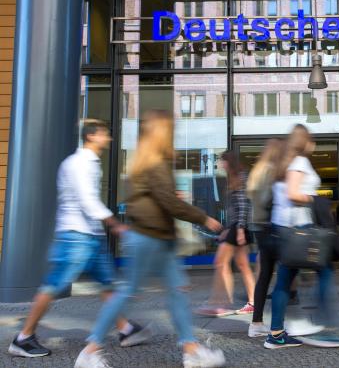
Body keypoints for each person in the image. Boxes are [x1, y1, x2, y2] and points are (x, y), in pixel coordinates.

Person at [75, 110, 225, 368]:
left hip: (158, 238)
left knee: (175, 292)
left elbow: (159, 200)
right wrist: (204, 219)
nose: (173, 133)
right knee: (127, 292)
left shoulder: (144, 160)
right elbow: (169, 202)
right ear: (161, 132)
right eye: (170, 129)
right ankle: (89, 351)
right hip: (149, 238)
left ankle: (191, 349)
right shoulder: (154, 162)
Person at [8, 120, 151, 358]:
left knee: (106, 283)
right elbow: (87, 201)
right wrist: (115, 224)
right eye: (105, 134)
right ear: (92, 136)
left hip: (90, 235)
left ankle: (125, 329)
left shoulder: (90, 163)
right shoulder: (79, 164)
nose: (109, 139)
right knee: (54, 285)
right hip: (75, 236)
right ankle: (23, 338)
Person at [266, 124, 339, 349]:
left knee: (285, 281)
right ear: (304, 141)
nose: (313, 143)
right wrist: (315, 199)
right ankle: (326, 331)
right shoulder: (299, 162)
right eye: (311, 139)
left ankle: (276, 334)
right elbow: (293, 194)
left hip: (287, 230)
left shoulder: (284, 163)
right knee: (325, 271)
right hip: (300, 229)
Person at [197, 151, 257, 317]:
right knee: (243, 266)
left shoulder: (241, 176)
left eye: (222, 161)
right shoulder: (234, 178)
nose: (221, 165)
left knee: (220, 262)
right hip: (236, 227)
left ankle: (219, 303)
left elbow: (244, 205)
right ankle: (253, 302)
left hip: (239, 228)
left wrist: (238, 229)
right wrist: (228, 230)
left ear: (229, 162)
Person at [246, 139, 284, 337]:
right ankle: (278, 325)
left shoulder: (257, 170)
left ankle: (256, 323)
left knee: (265, 275)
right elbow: (266, 199)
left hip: (259, 227)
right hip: (269, 226)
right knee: (284, 273)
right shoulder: (270, 170)